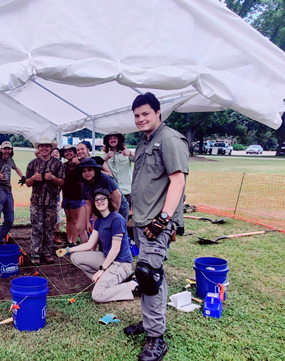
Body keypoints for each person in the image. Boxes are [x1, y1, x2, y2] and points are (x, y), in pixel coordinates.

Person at [125, 93, 188, 361]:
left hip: (157, 223)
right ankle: (152, 323)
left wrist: (163, 219)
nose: (140, 119)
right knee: (151, 275)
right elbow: (141, 183)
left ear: (158, 112)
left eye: (145, 114)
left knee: (148, 274)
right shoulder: (144, 142)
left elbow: (178, 182)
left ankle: (156, 338)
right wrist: (131, 215)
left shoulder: (170, 139)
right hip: (141, 220)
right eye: (137, 115)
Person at [59, 188, 138, 303]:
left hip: (121, 263)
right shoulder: (100, 220)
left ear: (109, 201)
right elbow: (90, 244)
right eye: (96, 200)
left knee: (97, 295)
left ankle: (132, 285)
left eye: (102, 199)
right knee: (75, 257)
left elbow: (115, 249)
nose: (99, 202)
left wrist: (102, 269)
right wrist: (68, 249)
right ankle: (107, 280)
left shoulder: (117, 219)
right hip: (107, 259)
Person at [25, 137, 65, 264]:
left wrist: (53, 178)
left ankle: (47, 253)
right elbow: (27, 183)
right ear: (38, 148)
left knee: (49, 228)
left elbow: (62, 182)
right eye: (41, 146)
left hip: (52, 202)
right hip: (36, 202)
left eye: (47, 146)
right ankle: (35, 254)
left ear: (51, 148)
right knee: (36, 228)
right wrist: (33, 178)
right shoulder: (32, 163)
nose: (44, 148)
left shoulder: (58, 164)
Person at [0, 141, 25, 247]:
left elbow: (16, 167)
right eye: (5, 149)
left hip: (8, 191)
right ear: (1, 150)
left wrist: (22, 177)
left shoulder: (10, 160)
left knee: (9, 219)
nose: (7, 151)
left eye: (8, 149)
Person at [79, 158, 130, 229]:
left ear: (95, 170)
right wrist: (88, 222)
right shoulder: (84, 185)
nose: (87, 173)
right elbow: (88, 204)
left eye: (89, 169)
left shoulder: (105, 178)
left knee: (117, 230)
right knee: (102, 232)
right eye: (83, 171)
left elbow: (117, 196)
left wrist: (114, 215)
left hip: (119, 208)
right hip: (102, 209)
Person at [61, 144, 86, 245]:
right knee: (68, 219)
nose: (68, 153)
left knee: (75, 220)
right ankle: (68, 240)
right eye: (66, 152)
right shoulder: (64, 165)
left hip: (77, 196)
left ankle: (74, 241)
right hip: (66, 195)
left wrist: (77, 164)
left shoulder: (80, 164)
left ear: (75, 153)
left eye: (70, 151)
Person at [103, 132, 134, 206]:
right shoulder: (105, 155)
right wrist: (107, 158)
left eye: (115, 138)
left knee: (129, 214)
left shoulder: (126, 152)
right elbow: (101, 168)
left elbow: (139, 161)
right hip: (113, 190)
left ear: (119, 140)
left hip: (127, 190)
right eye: (110, 138)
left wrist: (130, 154)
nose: (112, 140)